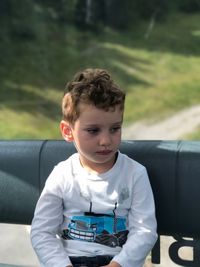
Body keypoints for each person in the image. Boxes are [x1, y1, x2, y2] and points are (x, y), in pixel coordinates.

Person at [31, 68, 157, 267]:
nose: (106, 140)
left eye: (115, 129)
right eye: (93, 130)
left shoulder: (135, 174)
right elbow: (42, 232)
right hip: (69, 262)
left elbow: (144, 231)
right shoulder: (62, 175)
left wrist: (118, 265)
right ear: (68, 131)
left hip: (119, 262)